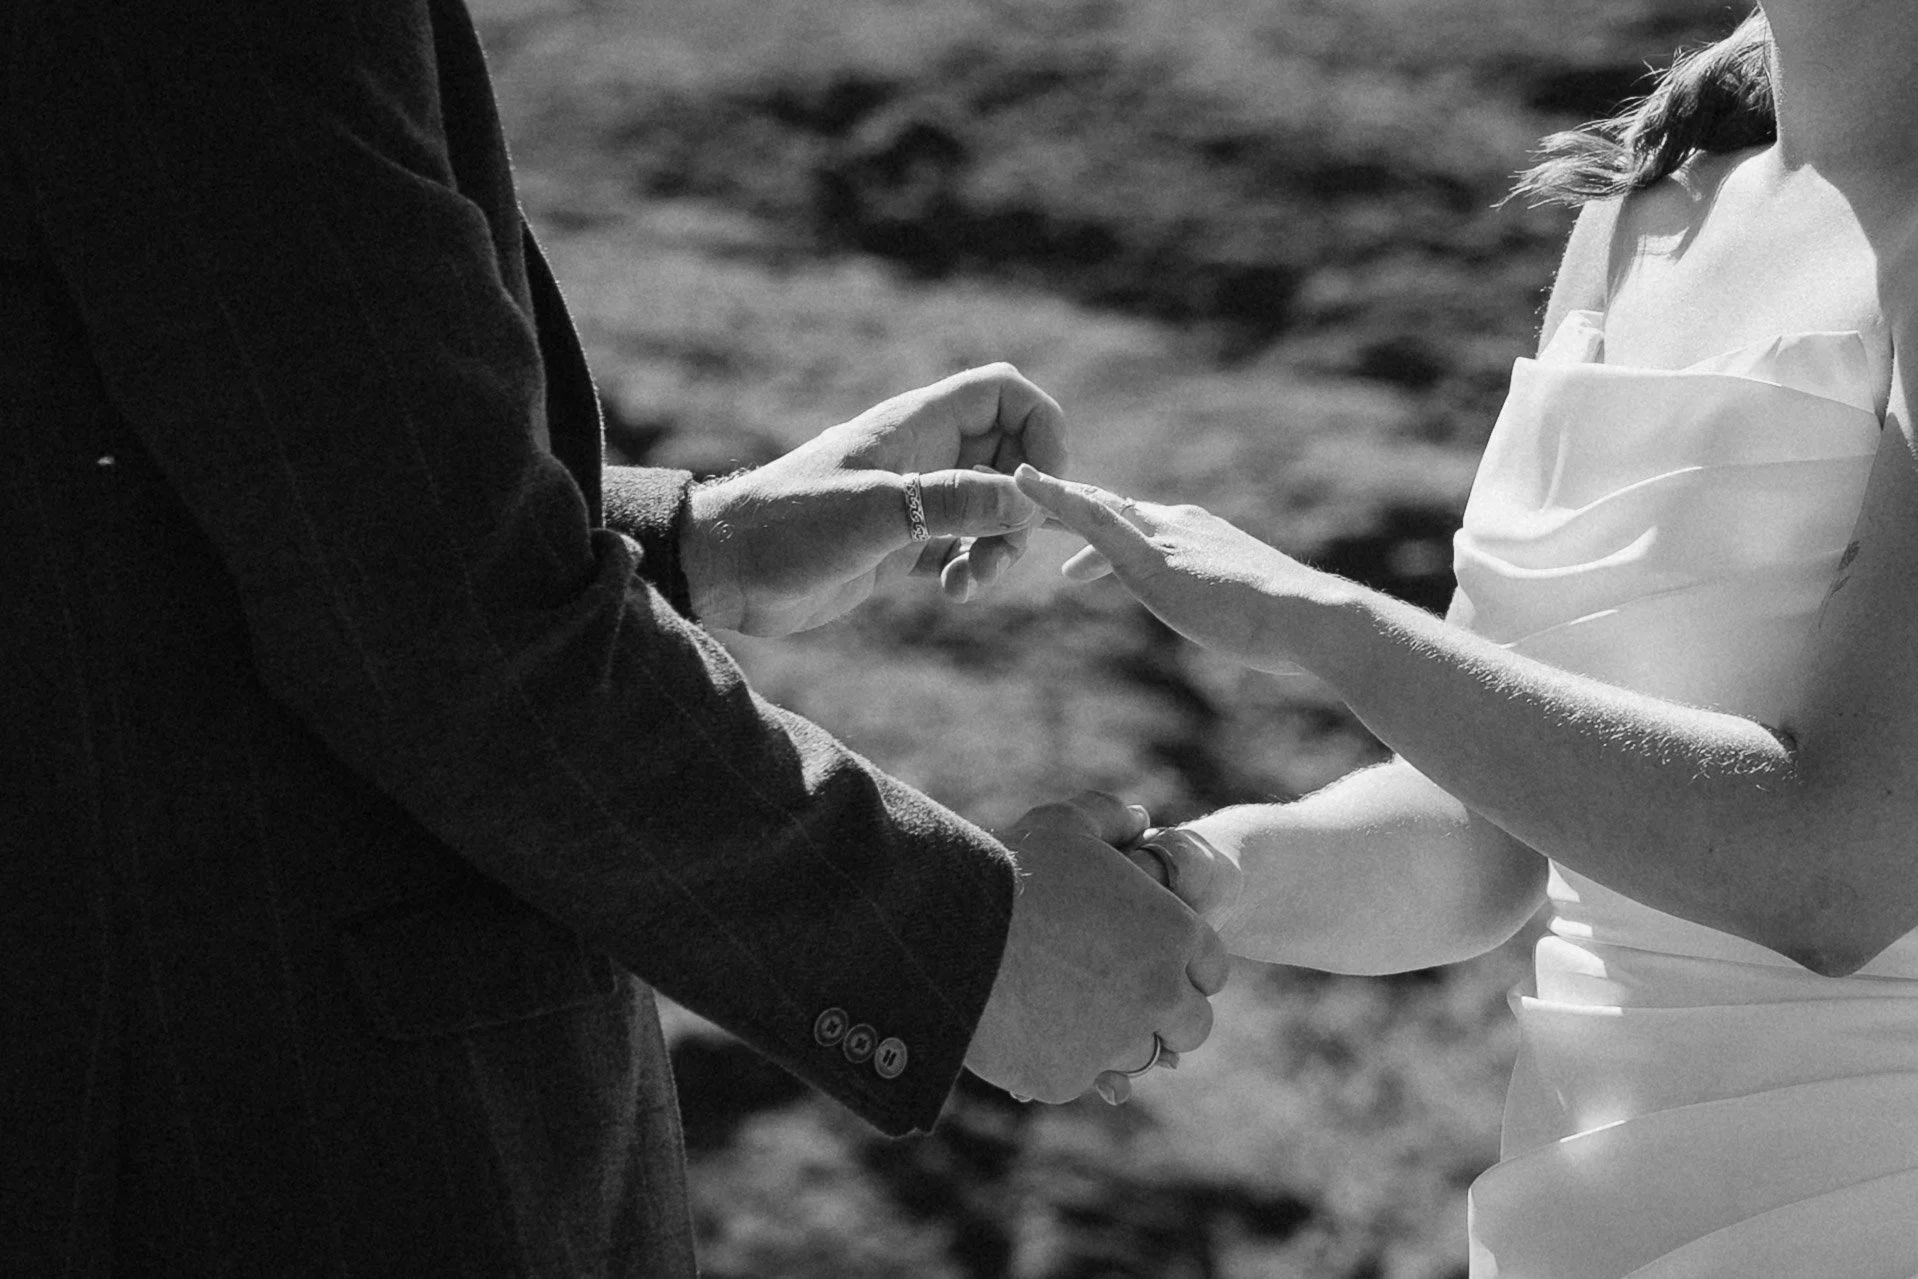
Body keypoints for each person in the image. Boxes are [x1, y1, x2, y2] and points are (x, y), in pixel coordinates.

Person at [0, 2, 1226, 1275]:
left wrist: (696, 539)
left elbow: (259, 489)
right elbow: (440, 616)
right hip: (275, 1144)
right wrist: (965, 942)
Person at [1017, 1, 1918, 1272]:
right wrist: (1197, 876)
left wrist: (1319, 622)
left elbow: (1839, 873)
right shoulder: (1640, 215)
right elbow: (1489, 841)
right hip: (1577, 1218)